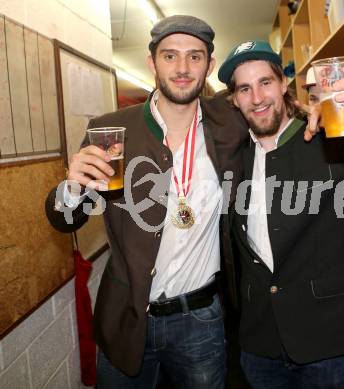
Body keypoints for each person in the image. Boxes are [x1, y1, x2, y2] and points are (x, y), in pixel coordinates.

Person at [45, 15, 248, 388]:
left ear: (210, 66)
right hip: (126, 316)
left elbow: (276, 118)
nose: (183, 68)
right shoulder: (110, 130)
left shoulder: (230, 122)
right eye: (170, 56)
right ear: (151, 63)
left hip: (199, 319)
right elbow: (66, 219)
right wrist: (72, 187)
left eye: (195, 57)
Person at [218, 40, 344, 388]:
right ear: (235, 100)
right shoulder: (231, 157)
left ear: (284, 84)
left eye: (266, 82)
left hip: (327, 339)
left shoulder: (333, 140)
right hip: (259, 342)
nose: (257, 97)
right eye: (244, 88)